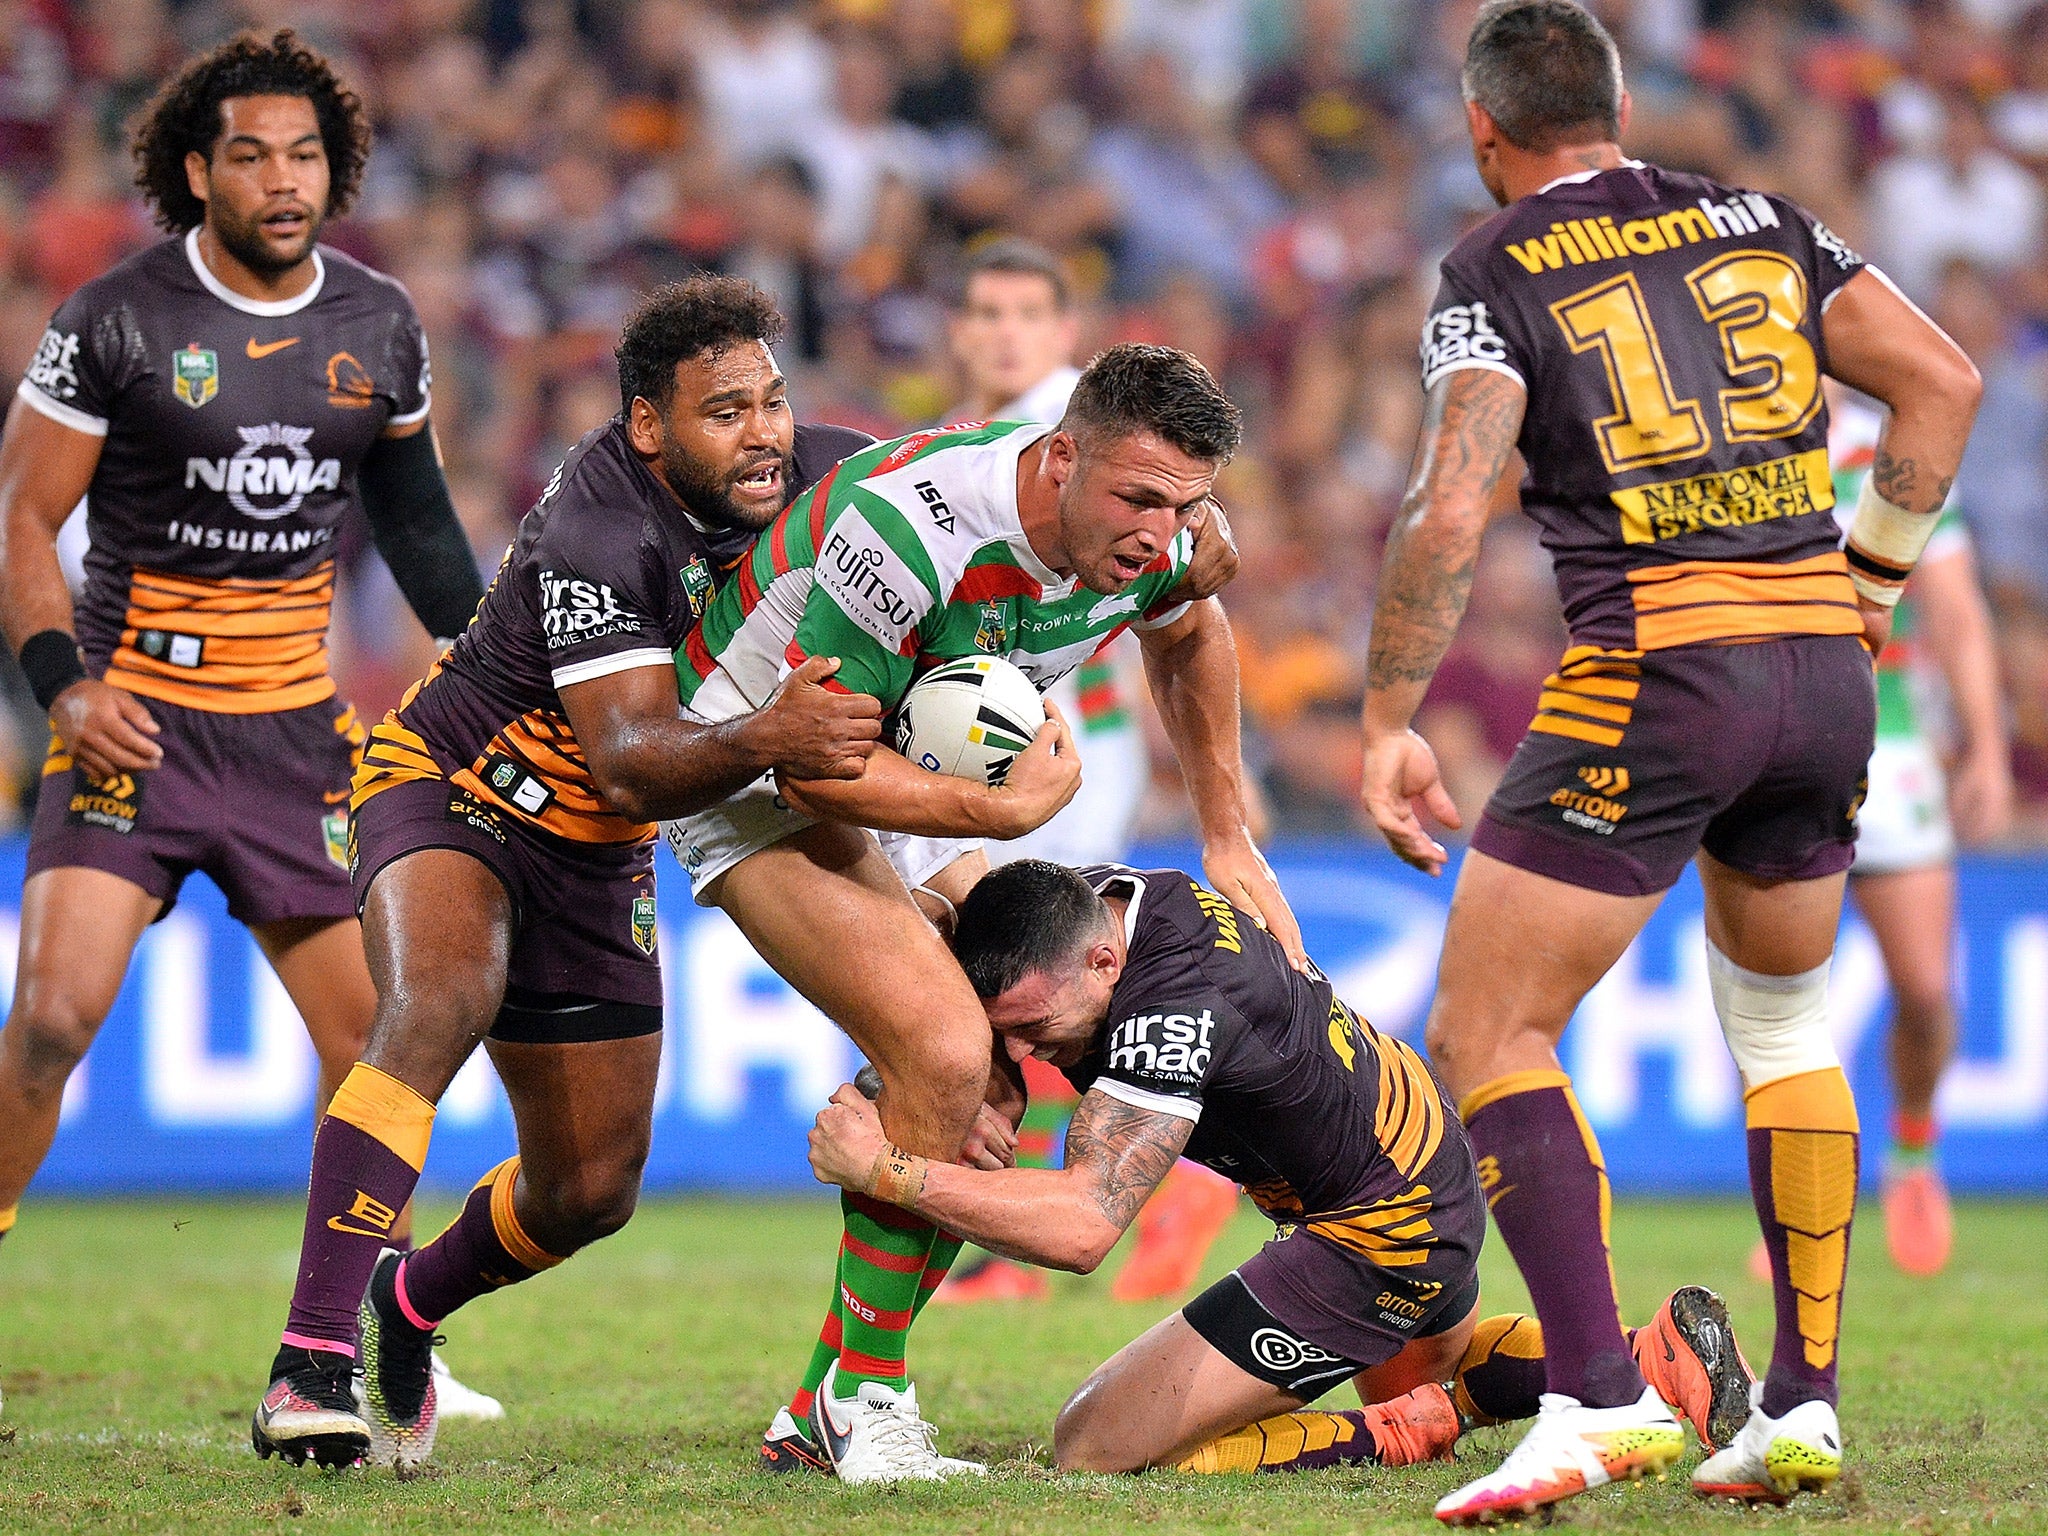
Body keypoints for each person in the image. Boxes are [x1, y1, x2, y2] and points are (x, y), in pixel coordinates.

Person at [1355, 2, 1981, 1521]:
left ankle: (1595, 1394)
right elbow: (1944, 384)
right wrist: (1877, 583)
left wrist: (1386, 718)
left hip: (1657, 667)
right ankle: (1805, 1404)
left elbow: (1449, 510)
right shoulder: (1760, 218)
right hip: (1825, 683)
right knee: (1783, 1023)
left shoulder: (1492, 266)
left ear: (1483, 131)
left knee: (1491, 1029)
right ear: (1621, 105)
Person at [248, 276, 886, 1471]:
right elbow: (635, 763)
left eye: (772, 401)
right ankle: (309, 1361)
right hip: (459, 788)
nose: (762, 434)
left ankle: (407, 1303)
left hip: (600, 858)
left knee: (590, 1189)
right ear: (649, 425)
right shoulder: (598, 521)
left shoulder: (825, 479)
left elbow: (957, 490)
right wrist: (773, 736)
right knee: (436, 1001)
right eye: (723, 412)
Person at [666, 343, 1299, 1482]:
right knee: (943, 1049)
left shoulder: (1141, 540)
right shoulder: (911, 533)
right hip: (746, 767)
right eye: (1141, 498)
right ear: (1060, 457)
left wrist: (1224, 832)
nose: (1160, 533)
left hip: (909, 774)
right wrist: (996, 821)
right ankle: (861, 1398)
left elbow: (1191, 630)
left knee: (995, 1069)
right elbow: (812, 769)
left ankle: (828, 1400)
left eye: (1186, 505)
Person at [0, 30, 497, 1415]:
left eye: (306, 155)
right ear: (195, 173)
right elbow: (23, 518)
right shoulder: (116, 317)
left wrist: (488, 660)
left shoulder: (378, 326)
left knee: (382, 1047)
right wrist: (67, 687)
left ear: (335, 169)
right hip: (137, 731)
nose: (284, 180)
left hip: (298, 743)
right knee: (46, 1020)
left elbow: (415, 522)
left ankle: (374, 1341)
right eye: (251, 156)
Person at [805, 858, 1756, 1478]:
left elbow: (1086, 1226)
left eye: (1036, 1034)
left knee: (1096, 1444)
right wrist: (967, 1071)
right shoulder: (1110, 903)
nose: (1026, 1056)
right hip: (1415, 1158)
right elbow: (953, 892)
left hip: (1380, 1228)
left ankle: (1404, 1429)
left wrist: (887, 1169)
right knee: (1443, 1374)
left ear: (1104, 963)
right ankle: (1648, 1359)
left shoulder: (1172, 1014)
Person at [936, 237, 1239, 1310]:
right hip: (1005, 747)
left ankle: (1151, 1180)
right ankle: (1142, 1190)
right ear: (957, 330)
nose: (1002, 330)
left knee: (1030, 977)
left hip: (1069, 749)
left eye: (1025, 311)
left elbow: (1196, 539)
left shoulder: (1063, 432)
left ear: (1064, 335)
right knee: (1017, 983)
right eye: (983, 311)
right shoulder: (968, 434)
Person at [1823, 394, 2011, 1276]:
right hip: (1773, 747)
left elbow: (1958, 612)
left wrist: (1985, 750)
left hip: (1890, 742)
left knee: (1926, 990)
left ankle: (1913, 1153)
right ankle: (1798, 1203)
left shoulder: (1889, 448)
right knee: (1778, 999)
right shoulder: (1723, 443)